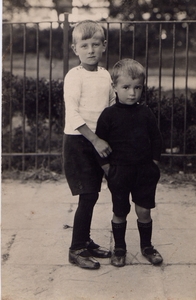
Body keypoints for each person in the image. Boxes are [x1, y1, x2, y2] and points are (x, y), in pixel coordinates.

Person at [95, 58, 163, 267]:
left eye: (137, 88)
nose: (132, 93)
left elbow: (156, 139)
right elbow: (99, 144)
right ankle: (120, 248)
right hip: (120, 173)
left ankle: (147, 247)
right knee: (120, 211)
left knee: (144, 211)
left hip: (144, 172)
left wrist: (153, 163)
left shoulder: (146, 113)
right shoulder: (109, 115)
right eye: (126, 87)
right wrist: (108, 170)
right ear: (114, 87)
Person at [63, 20, 116, 270]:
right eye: (84, 45)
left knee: (94, 195)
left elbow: (112, 107)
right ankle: (76, 249)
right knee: (87, 196)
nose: (91, 50)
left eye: (96, 44)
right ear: (75, 49)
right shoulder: (74, 77)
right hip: (80, 143)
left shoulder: (106, 75)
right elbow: (73, 115)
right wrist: (94, 140)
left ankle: (86, 240)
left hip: (100, 142)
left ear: (104, 46)